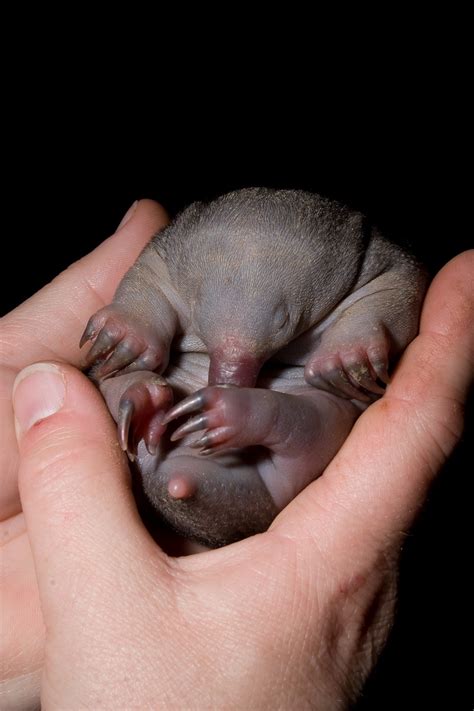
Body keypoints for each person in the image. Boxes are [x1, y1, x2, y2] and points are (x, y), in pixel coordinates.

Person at [1, 199, 472, 710]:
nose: (230, 368)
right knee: (118, 377)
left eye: (282, 318)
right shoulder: (175, 251)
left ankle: (240, 414)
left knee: (327, 415)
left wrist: (361, 337)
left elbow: (399, 289)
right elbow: (152, 279)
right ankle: (144, 401)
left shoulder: (372, 262)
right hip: (129, 456)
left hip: (267, 474)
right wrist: (138, 317)